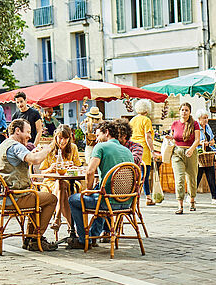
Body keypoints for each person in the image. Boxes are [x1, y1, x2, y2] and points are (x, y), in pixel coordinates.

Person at [0, 119, 58, 251]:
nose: (30, 136)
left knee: (37, 198)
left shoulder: (3, 146)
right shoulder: (16, 146)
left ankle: (30, 238)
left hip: (0, 198)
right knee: (51, 199)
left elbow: (19, 163)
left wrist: (32, 153)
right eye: (27, 132)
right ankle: (36, 239)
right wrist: (50, 147)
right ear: (17, 131)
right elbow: (35, 160)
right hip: (15, 198)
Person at [67, 120, 134, 249]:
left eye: (98, 135)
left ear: (107, 133)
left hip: (108, 202)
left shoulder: (101, 147)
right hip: (127, 202)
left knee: (74, 199)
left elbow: (90, 171)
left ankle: (83, 239)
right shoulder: (127, 151)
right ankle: (93, 235)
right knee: (100, 196)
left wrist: (88, 189)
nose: (96, 139)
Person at [40, 125, 82, 231]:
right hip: (50, 183)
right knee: (62, 187)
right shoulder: (49, 149)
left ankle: (58, 217)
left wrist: (73, 166)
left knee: (62, 184)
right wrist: (50, 169)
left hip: (70, 182)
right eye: (60, 137)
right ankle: (72, 229)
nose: (62, 141)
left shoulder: (73, 148)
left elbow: (79, 167)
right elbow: (42, 172)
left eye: (65, 138)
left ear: (69, 139)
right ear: (55, 137)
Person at [165, 102, 200, 215]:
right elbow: (175, 138)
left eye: (186, 110)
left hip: (190, 152)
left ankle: (192, 200)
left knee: (191, 179)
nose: (184, 112)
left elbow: (197, 140)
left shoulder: (194, 124)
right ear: (179, 111)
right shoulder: (175, 124)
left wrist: (191, 149)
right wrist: (169, 138)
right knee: (179, 179)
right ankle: (180, 205)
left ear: (189, 112)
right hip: (177, 153)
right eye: (182, 110)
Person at [130, 99, 157, 206]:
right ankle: (148, 198)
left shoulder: (132, 120)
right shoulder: (146, 120)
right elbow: (148, 137)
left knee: (135, 174)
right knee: (144, 175)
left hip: (133, 149)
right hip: (143, 149)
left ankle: (134, 196)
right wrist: (152, 151)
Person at [195, 109, 216, 205]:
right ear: (199, 119)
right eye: (204, 118)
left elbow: (213, 141)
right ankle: (191, 196)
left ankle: (214, 199)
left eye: (207, 118)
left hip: (209, 154)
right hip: (200, 154)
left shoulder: (208, 127)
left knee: (211, 176)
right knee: (198, 177)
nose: (206, 120)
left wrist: (208, 143)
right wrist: (201, 143)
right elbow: (195, 141)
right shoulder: (196, 127)